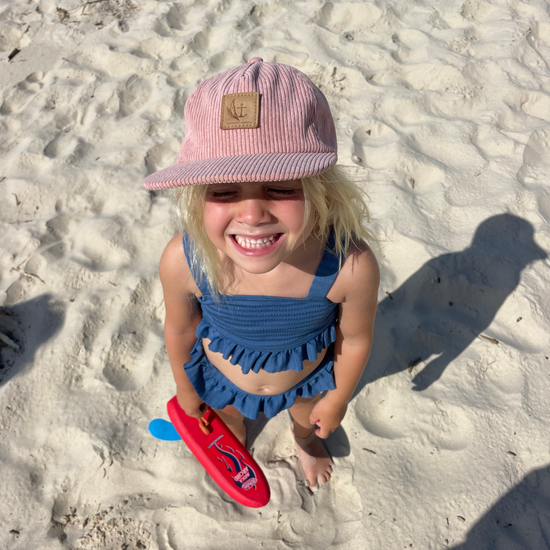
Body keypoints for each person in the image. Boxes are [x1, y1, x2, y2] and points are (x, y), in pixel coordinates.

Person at [144, 57, 379, 489]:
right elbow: (179, 329)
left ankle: (303, 440)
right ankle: (234, 436)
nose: (252, 214)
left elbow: (356, 338)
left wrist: (338, 398)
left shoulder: (348, 265)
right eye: (224, 190)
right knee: (227, 419)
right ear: (198, 197)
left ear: (322, 189)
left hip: (305, 380)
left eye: (281, 186)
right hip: (223, 379)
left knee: (308, 420)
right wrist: (185, 388)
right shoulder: (184, 259)